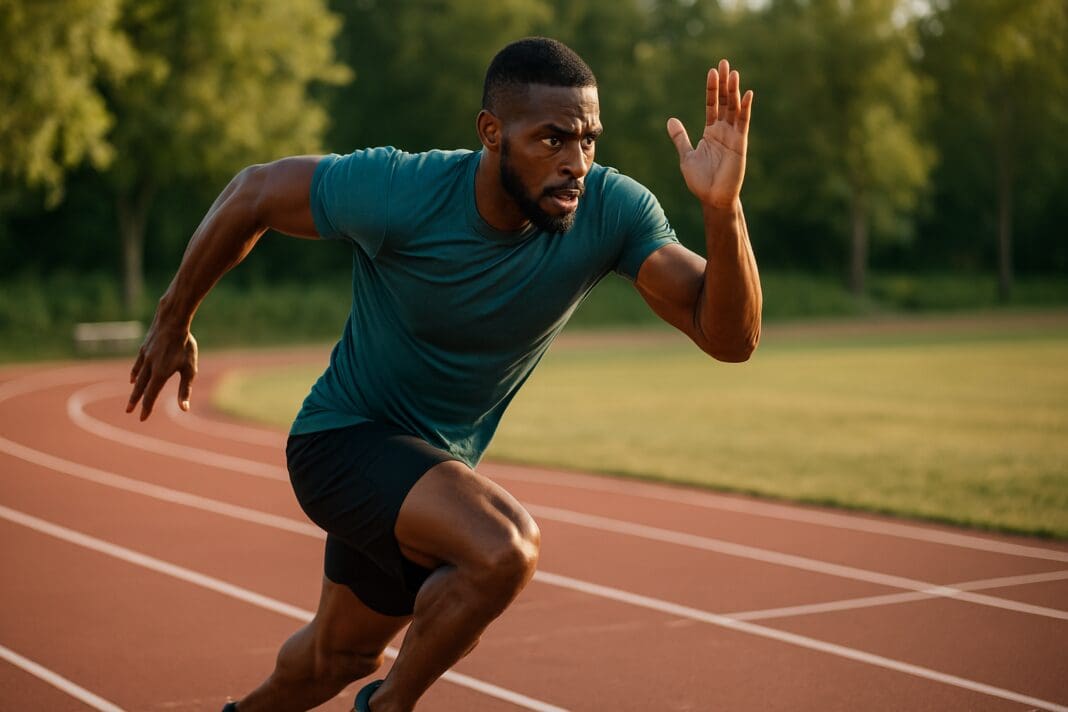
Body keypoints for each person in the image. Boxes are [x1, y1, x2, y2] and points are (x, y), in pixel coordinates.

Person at [126, 37, 760, 712]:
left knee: (334, 658)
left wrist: (723, 212)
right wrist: (173, 319)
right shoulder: (403, 191)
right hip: (342, 440)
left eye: (588, 140)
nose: (576, 162)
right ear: (492, 133)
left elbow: (729, 338)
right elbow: (255, 191)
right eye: (551, 139)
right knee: (502, 550)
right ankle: (388, 707)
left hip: (429, 470)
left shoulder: (610, 212)